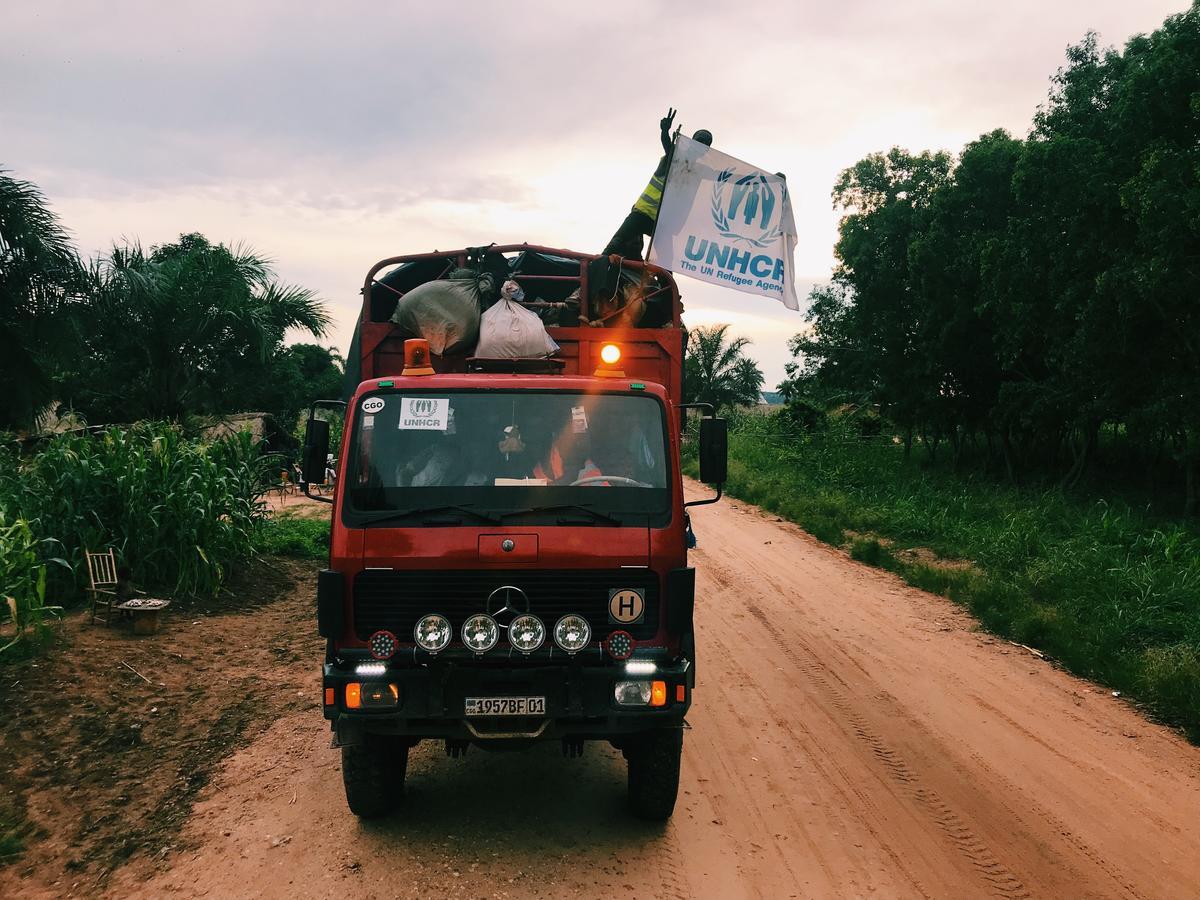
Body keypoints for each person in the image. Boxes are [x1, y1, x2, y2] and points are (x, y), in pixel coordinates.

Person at [603, 109, 712, 260]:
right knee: (613, 246)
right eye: (699, 141)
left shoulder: (698, 171)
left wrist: (753, 180)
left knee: (666, 266)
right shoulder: (674, 155)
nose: (701, 146)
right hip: (643, 213)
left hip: (662, 223)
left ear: (706, 151)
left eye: (705, 145)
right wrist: (665, 131)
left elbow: (722, 177)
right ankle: (592, 274)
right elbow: (667, 144)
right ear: (692, 141)